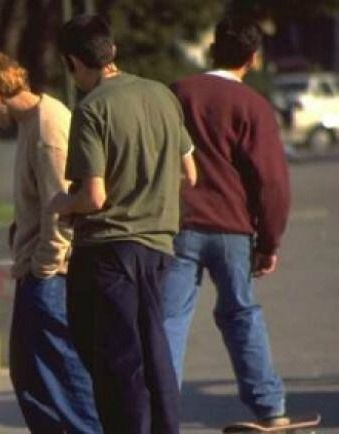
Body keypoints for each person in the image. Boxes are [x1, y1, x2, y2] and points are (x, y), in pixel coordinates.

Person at [50, 14, 197, 434]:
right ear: (112, 51)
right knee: (154, 353)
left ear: (73, 62)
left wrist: (62, 203)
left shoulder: (92, 109)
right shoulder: (162, 96)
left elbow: (93, 196)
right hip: (160, 247)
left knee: (118, 363)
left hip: (109, 251)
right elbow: (192, 173)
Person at [0, 52, 101, 434]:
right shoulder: (29, 124)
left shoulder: (47, 128)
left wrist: (45, 265)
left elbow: (61, 207)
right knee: (31, 377)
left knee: (62, 376)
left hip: (51, 273)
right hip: (35, 269)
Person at [162, 16, 291, 426]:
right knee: (241, 313)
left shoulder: (177, 94)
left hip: (179, 224)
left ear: (214, 49)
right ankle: (269, 407)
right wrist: (268, 242)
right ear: (252, 59)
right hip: (233, 229)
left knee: (169, 317)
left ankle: (160, 409)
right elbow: (271, 181)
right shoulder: (253, 106)